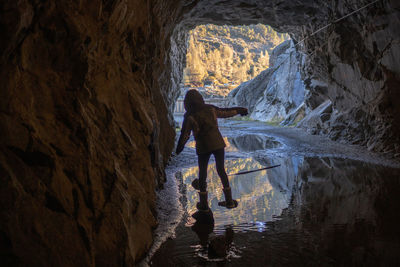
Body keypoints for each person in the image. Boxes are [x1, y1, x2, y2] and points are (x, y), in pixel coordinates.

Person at [175, 89, 248, 211]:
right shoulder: (210, 108)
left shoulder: (189, 115)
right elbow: (226, 112)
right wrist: (241, 110)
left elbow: (185, 134)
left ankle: (204, 204)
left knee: (202, 173)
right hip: (218, 143)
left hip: (203, 146)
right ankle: (229, 201)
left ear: (187, 102)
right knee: (221, 170)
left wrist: (179, 149)